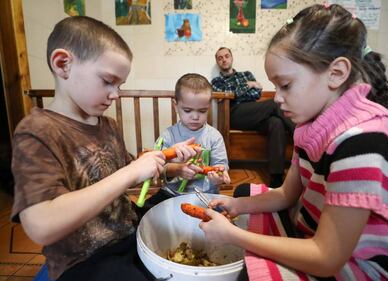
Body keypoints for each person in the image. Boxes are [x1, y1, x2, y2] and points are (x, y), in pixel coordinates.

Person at [201, 4, 388, 281]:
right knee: (240, 195)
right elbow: (286, 195)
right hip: (316, 234)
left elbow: (326, 259)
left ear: (336, 73)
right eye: (274, 86)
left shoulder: (365, 143)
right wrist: (235, 207)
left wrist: (234, 235)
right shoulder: (311, 127)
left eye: (285, 85)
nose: (276, 97)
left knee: (247, 273)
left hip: (359, 268)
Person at [11, 16, 199, 281]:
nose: (116, 94)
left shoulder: (107, 125)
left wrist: (172, 168)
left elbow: (132, 171)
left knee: (177, 207)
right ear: (63, 64)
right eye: (108, 81)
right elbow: (42, 225)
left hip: (126, 232)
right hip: (84, 259)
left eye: (119, 85)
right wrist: (131, 172)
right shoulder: (36, 131)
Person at [144, 73, 231, 209]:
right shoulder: (168, 135)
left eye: (202, 111)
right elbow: (158, 169)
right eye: (188, 110)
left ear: (208, 107)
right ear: (176, 106)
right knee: (144, 211)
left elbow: (221, 165)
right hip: (171, 193)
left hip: (205, 195)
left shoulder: (214, 136)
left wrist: (220, 176)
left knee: (223, 219)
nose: (195, 116)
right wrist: (177, 169)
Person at [212, 46, 295, 188]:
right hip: (234, 114)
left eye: (226, 56)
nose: (223, 60)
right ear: (217, 62)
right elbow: (228, 94)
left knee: (276, 123)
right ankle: (303, 138)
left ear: (231, 57)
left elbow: (256, 94)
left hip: (254, 113)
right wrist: (248, 86)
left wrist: (238, 92)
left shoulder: (246, 74)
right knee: (274, 105)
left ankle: (276, 176)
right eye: (220, 58)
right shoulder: (217, 81)